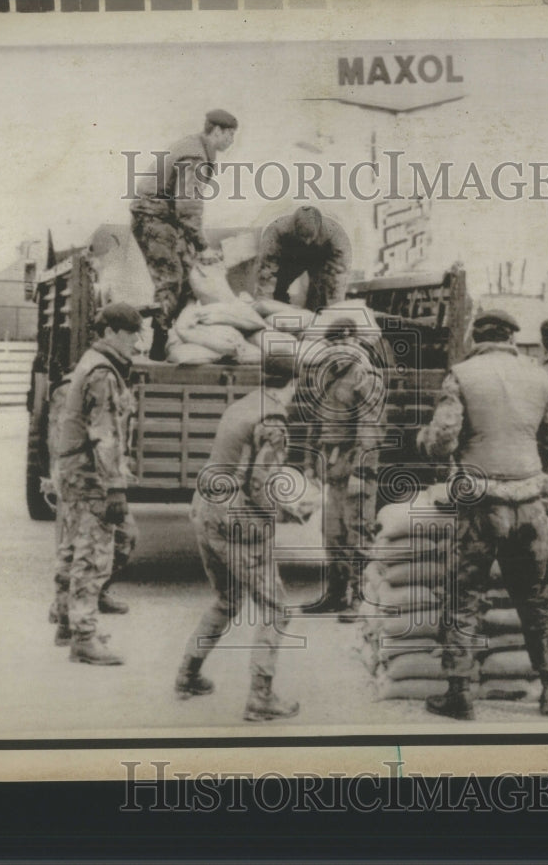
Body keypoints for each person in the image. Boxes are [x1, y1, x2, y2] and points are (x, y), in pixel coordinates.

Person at [417, 309, 548, 720]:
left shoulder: (462, 375)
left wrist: (427, 443)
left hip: (480, 506)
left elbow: (444, 438)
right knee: (535, 597)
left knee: (463, 598)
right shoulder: (538, 375)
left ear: (475, 337)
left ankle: (460, 692)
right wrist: (529, 466)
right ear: (512, 338)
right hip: (529, 503)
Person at [175, 343, 309, 721]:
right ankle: (260, 697)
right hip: (237, 521)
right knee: (277, 609)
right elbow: (261, 484)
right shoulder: (274, 420)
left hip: (206, 509)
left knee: (227, 600)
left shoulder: (242, 404)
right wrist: (288, 510)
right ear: (295, 381)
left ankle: (188, 675)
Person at [53, 302, 143, 665]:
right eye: (131, 332)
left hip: (75, 471)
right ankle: (84, 638)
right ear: (110, 333)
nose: (137, 340)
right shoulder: (102, 372)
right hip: (91, 477)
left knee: (74, 549)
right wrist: (116, 486)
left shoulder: (93, 363)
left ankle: (65, 621)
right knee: (92, 555)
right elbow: (104, 434)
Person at [130, 109, 238, 360]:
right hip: (153, 217)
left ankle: (174, 335)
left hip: (165, 218)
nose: (232, 140)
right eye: (230, 134)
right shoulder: (194, 156)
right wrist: (202, 247)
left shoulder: (197, 149)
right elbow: (188, 206)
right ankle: (159, 342)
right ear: (217, 131)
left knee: (189, 277)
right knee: (171, 279)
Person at [299, 321, 385, 621]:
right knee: (332, 533)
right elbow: (315, 421)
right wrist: (309, 461)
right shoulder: (328, 376)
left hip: (355, 464)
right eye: (331, 345)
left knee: (358, 531)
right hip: (333, 465)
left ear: (353, 342)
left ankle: (360, 600)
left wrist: (361, 473)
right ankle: (336, 594)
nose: (335, 351)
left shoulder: (365, 375)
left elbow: (371, 427)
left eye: (340, 344)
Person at [47, 379, 136, 646]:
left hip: (87, 479)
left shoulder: (110, 383)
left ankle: (67, 621)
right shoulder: (84, 385)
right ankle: (79, 630)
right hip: (84, 481)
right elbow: (63, 439)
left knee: (81, 550)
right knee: (88, 554)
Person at [255, 206, 353, 312]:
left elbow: (337, 276)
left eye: (310, 237)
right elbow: (266, 271)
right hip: (289, 258)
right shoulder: (276, 230)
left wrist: (336, 307)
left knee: (321, 295)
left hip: (320, 259)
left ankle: (317, 316)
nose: (307, 242)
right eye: (303, 237)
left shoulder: (335, 234)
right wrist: (265, 305)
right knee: (277, 292)